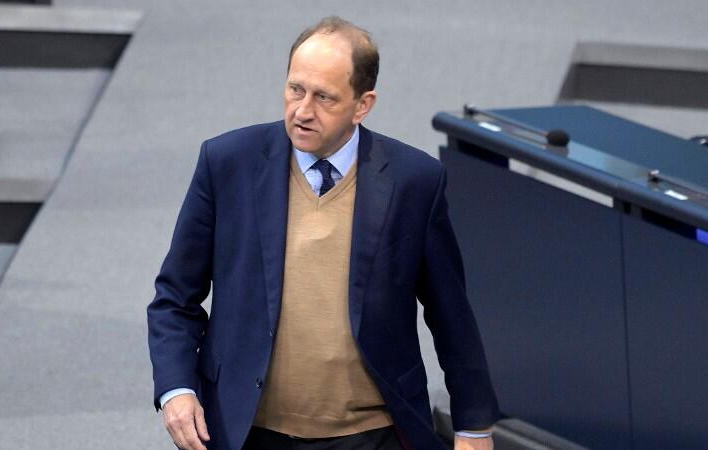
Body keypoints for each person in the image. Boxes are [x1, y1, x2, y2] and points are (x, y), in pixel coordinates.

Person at [147, 16, 500, 450]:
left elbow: (451, 315)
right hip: (248, 432)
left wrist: (473, 426)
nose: (302, 110)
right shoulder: (227, 163)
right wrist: (176, 390)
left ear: (362, 104)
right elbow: (174, 298)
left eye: (324, 98)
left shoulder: (415, 181)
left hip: (372, 436)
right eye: (295, 89)